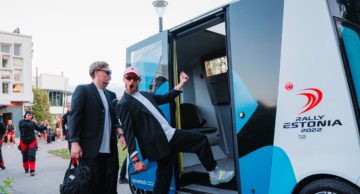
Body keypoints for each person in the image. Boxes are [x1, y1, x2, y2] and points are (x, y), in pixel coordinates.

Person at [116, 67, 235, 194]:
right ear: (124, 79)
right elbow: (129, 131)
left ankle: (214, 173)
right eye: (128, 77)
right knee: (200, 140)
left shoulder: (144, 94)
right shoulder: (123, 104)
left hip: (166, 135)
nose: (131, 81)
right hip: (159, 141)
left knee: (164, 175)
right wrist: (135, 160)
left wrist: (181, 83)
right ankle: (214, 172)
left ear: (139, 80)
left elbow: (165, 98)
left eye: (134, 78)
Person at [69, 61, 123, 194]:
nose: (110, 76)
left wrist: (121, 134)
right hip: (90, 150)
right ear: (97, 72)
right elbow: (75, 117)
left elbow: (114, 118)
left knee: (110, 187)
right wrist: (74, 142)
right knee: (92, 187)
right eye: (108, 72)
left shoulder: (111, 95)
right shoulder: (83, 90)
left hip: (110, 151)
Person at [19, 111, 41, 176]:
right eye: (28, 115)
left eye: (30, 115)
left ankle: (32, 170)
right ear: (25, 115)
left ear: (31, 116)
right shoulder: (21, 122)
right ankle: (26, 168)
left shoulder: (33, 123)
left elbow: (38, 129)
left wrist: (45, 127)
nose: (29, 116)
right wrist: (33, 122)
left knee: (31, 155)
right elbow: (26, 126)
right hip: (23, 141)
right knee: (25, 156)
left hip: (32, 141)